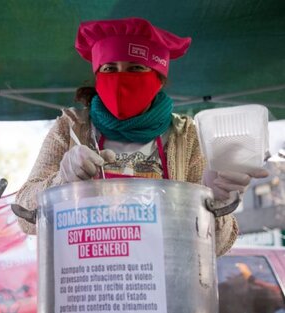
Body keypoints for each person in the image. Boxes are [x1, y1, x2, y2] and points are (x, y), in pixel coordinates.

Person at [15, 17, 269, 256]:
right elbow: (24, 215)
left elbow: (217, 247)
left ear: (159, 78)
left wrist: (213, 203)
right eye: (110, 68)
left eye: (136, 68)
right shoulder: (70, 128)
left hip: (166, 288)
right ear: (97, 75)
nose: (121, 78)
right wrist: (62, 181)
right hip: (87, 283)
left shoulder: (186, 135)